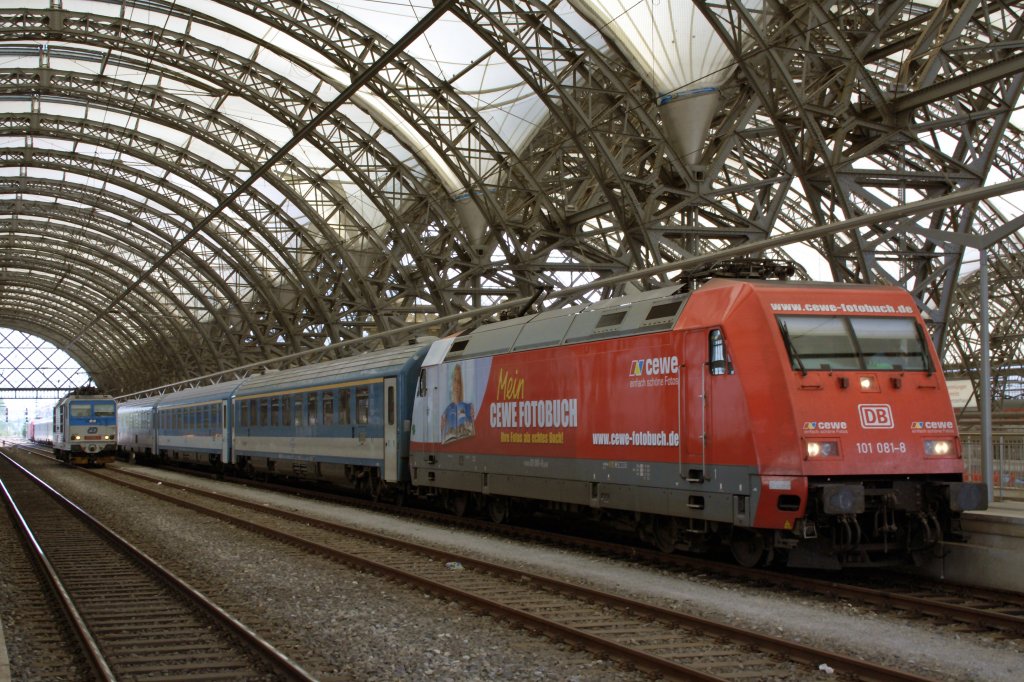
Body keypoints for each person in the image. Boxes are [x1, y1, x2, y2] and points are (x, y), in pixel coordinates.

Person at [441, 364, 475, 443]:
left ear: (461, 385)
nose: (457, 385)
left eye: (459, 382)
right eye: (455, 381)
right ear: (451, 384)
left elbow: (473, 434)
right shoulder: (447, 410)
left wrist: (472, 421)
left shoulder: (468, 407)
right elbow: (443, 437)